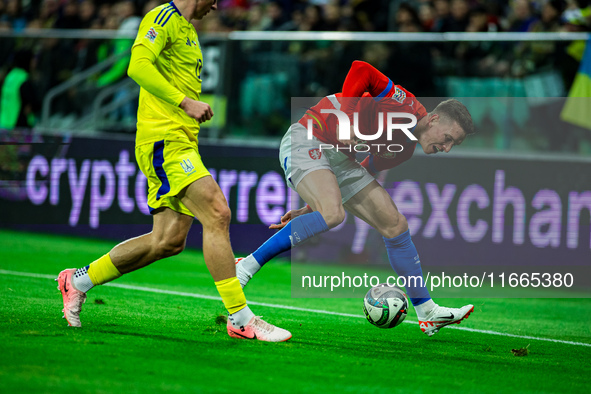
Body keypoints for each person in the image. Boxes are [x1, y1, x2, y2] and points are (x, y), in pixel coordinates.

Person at [56, 0, 291, 343]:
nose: (215, 4)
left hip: (180, 141)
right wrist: (184, 101)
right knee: (217, 212)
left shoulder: (189, 30)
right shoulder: (162, 17)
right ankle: (241, 319)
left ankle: (76, 281)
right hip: (164, 140)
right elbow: (137, 66)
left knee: (166, 242)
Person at [236, 60, 475, 337]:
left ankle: (428, 311)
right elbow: (360, 69)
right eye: (447, 138)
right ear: (433, 119)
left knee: (395, 225)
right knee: (334, 215)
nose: (446, 148)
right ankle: (246, 267)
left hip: (341, 159)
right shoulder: (404, 105)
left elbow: (365, 170)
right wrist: (347, 122)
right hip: (309, 136)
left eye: (452, 145)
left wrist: (311, 205)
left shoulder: (403, 150)